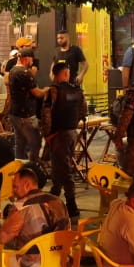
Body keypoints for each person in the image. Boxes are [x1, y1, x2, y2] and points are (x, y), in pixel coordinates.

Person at [0, 166, 69, 267]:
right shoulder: (58, 201)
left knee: (6, 257)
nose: (13, 191)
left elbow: (2, 238)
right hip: (62, 262)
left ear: (27, 185)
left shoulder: (21, 207)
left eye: (15, 187)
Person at [43, 60, 87, 220]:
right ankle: (54, 195)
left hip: (58, 134)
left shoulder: (53, 91)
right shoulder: (77, 90)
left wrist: (47, 134)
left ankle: (70, 203)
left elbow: (46, 115)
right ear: (66, 73)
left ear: (54, 75)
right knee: (60, 166)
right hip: (71, 133)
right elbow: (83, 110)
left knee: (64, 168)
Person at [8, 48, 46, 162]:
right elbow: (37, 93)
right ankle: (33, 165)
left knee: (20, 142)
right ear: (26, 58)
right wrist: (47, 90)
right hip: (26, 114)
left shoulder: (12, 70)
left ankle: (19, 165)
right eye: (31, 59)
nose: (32, 62)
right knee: (35, 142)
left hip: (14, 112)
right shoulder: (24, 73)